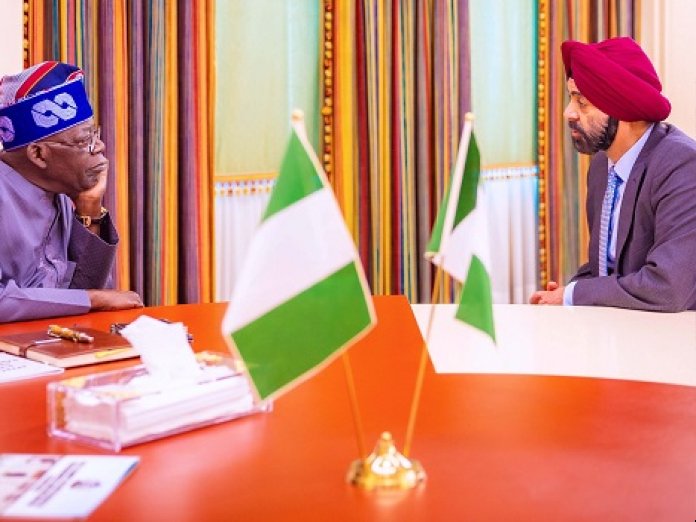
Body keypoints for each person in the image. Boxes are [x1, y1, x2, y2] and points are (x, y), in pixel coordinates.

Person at [530, 37, 696, 311]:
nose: (568, 113)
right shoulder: (601, 166)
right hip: (621, 327)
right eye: (571, 99)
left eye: (582, 102)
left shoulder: (682, 166)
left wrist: (574, 295)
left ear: (622, 108)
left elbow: (668, 288)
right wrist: (566, 293)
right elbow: (607, 268)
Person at [0, 61, 142, 322]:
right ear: (38, 154)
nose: (99, 147)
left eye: (95, 135)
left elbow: (85, 290)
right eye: (84, 141)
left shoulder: (60, 191)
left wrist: (90, 208)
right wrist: (92, 300)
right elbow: (89, 298)